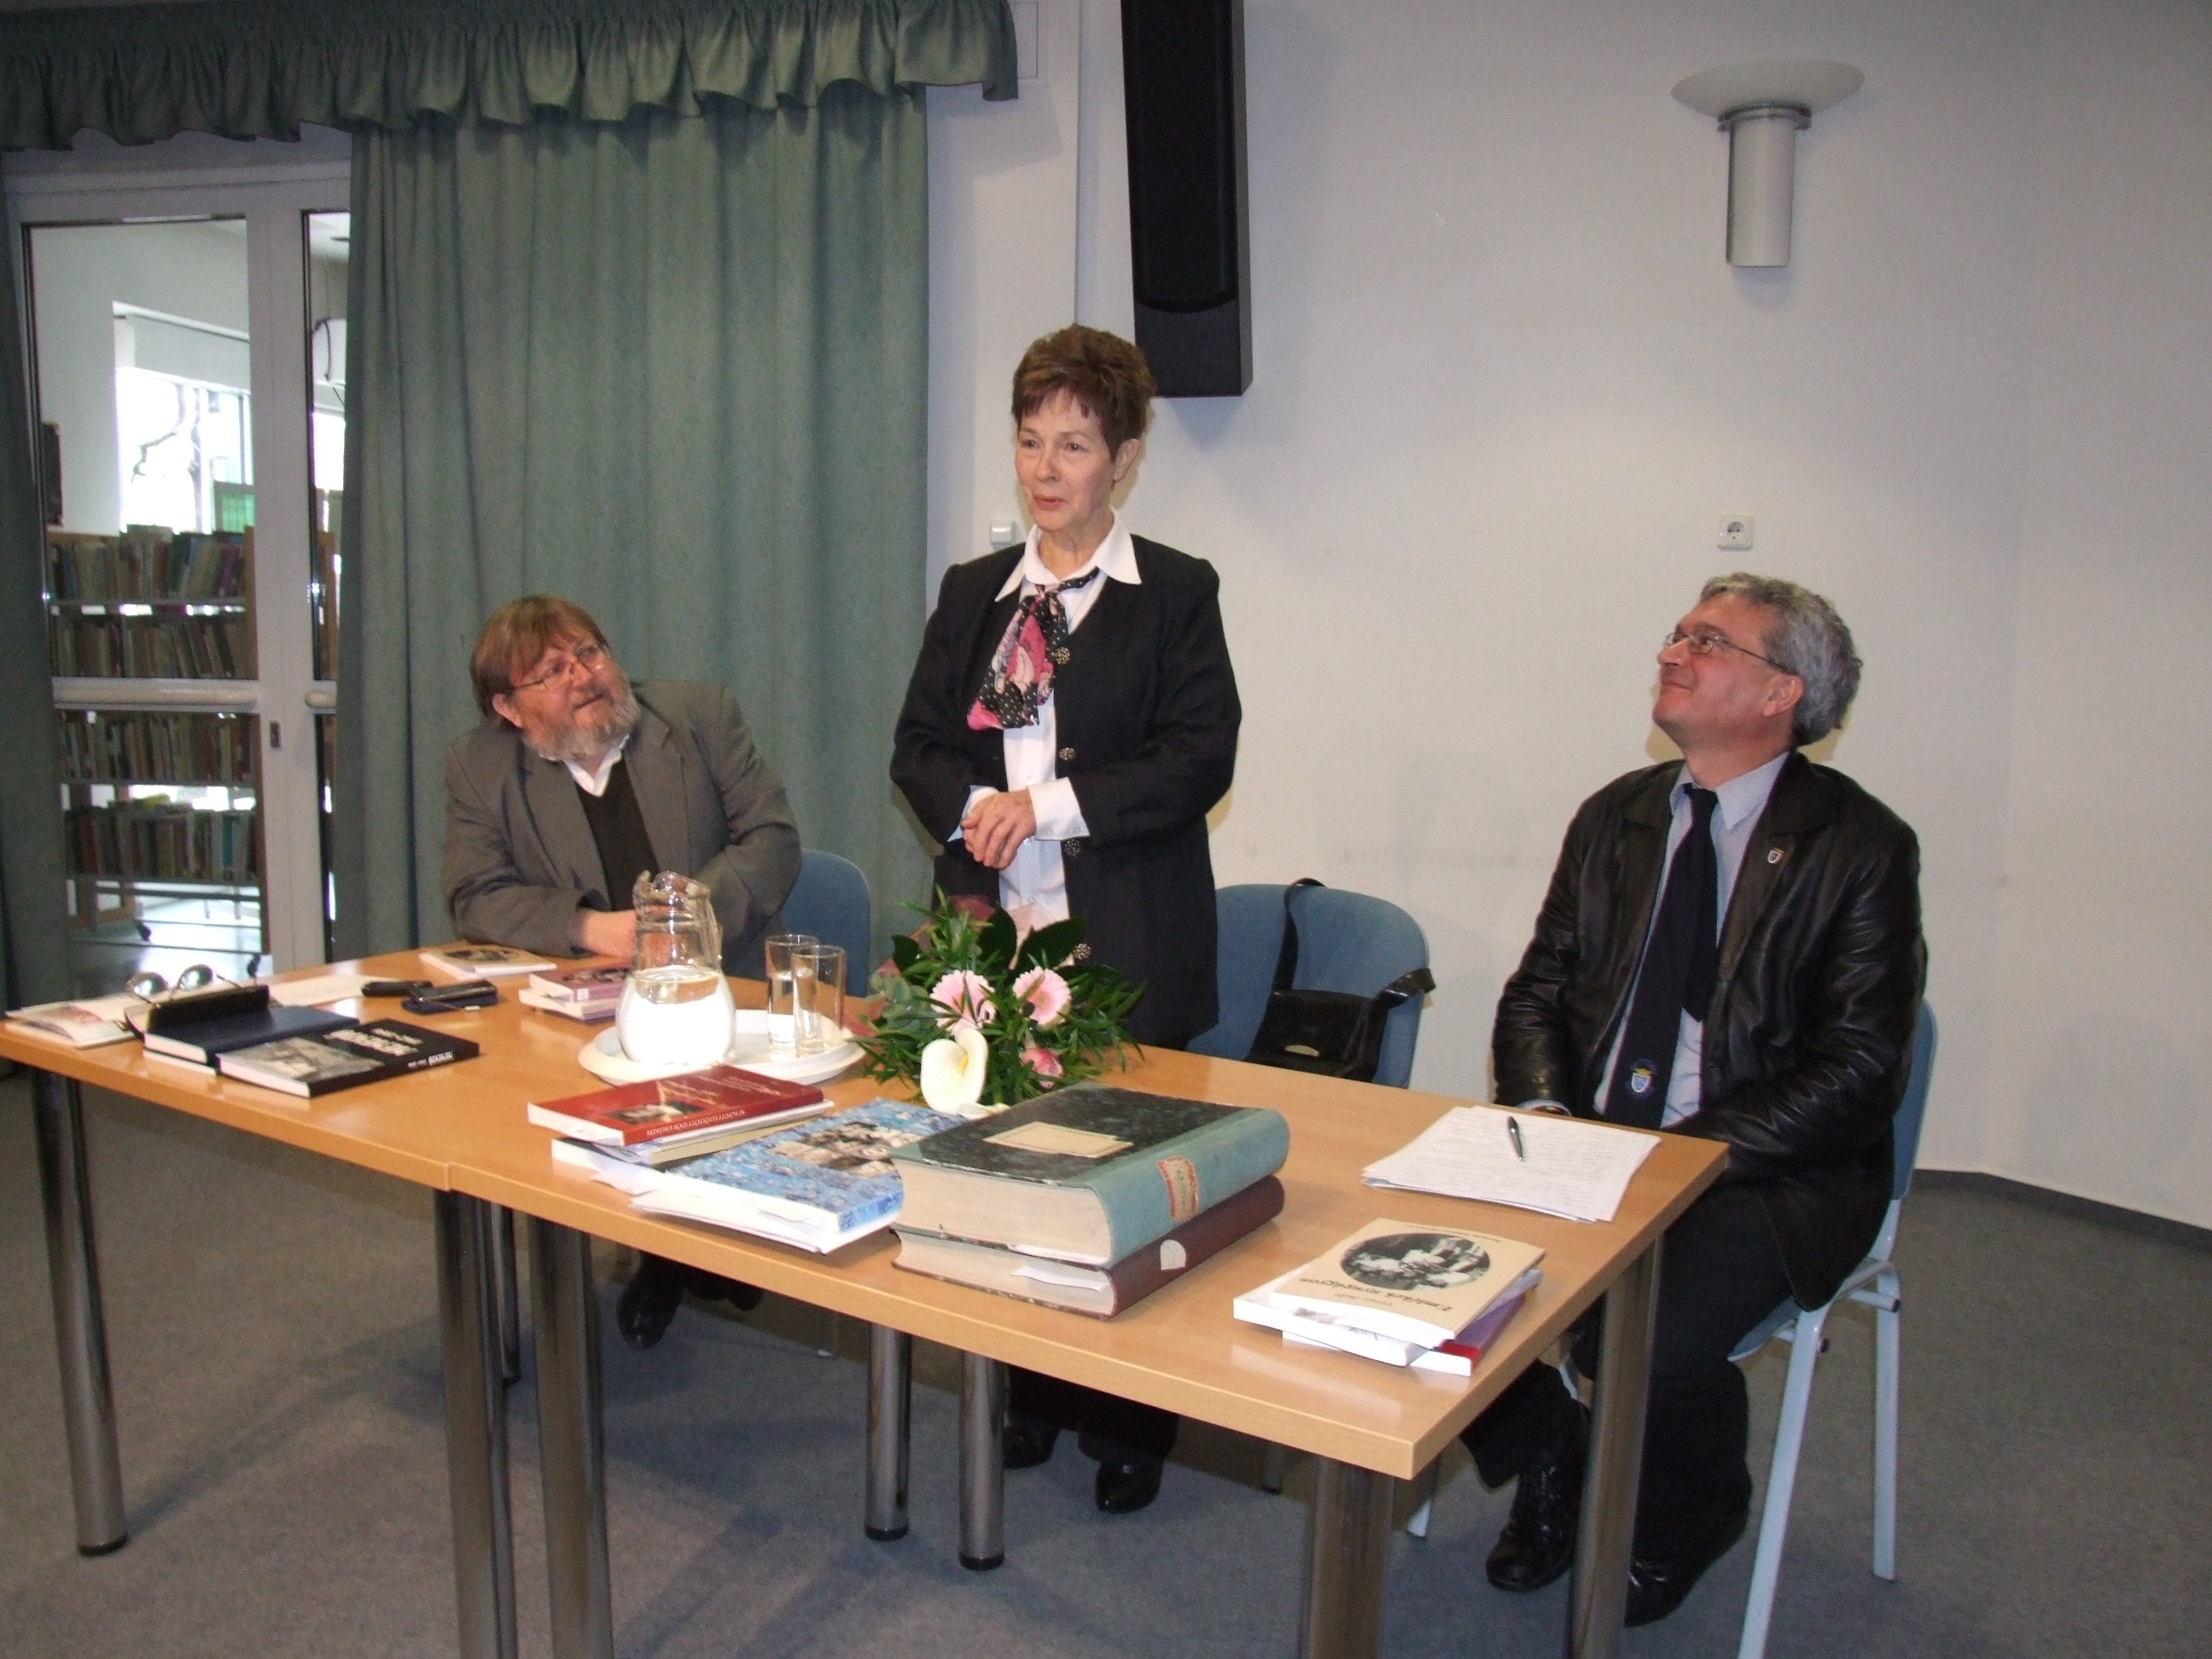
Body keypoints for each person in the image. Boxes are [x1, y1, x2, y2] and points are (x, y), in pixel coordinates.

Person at [1461, 573, 1924, 1627]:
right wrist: (1545, 1117)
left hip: (1767, 1168)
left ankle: (1690, 1512)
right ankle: (1553, 1450)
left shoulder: (1861, 846)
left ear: (1782, 693)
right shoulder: (1616, 816)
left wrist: (1687, 1153)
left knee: (1638, 1328)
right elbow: (1539, 991)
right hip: (1594, 1137)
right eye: (1678, 633)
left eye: (1709, 641)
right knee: (1421, 1261)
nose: (1673, 651)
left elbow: (1860, 1070)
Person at [890, 325, 1241, 1514]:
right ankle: (1032, 1395)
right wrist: (979, 815)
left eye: (1076, 445)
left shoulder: (1175, 593)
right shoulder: (975, 593)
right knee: (1014, 1179)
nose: (1047, 468)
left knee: (1127, 1191)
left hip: (1129, 938)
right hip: (998, 939)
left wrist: (1043, 806)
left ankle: (1133, 1425)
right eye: (1031, 440)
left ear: (1124, 458)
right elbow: (919, 746)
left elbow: (1198, 760)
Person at [443, 595, 802, 1349]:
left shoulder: (698, 717)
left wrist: (682, 927)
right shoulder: (481, 767)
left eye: (589, 653)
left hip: (719, 986)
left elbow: (771, 838)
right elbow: (474, 895)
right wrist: (587, 928)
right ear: (509, 709)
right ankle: (662, 1253)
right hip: (585, 1008)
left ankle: (694, 1246)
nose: (583, 676)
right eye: (551, 672)